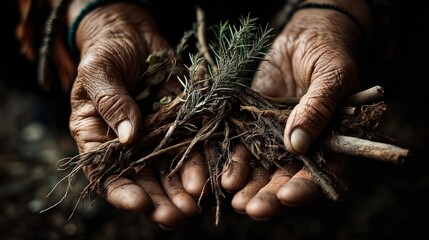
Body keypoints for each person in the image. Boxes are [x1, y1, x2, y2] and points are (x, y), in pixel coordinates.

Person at [16, 0, 391, 229]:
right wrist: (99, 14)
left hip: (273, 46)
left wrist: (336, 11)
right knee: (69, 105)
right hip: (148, 42)